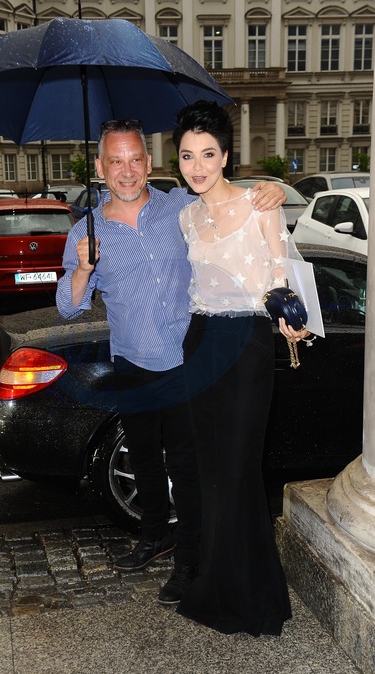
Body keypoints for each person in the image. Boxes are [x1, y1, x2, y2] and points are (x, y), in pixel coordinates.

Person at [56, 118, 287, 605]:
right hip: (132, 360)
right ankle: (154, 535)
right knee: (143, 457)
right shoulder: (85, 231)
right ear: (100, 167)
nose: (126, 171)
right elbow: (68, 307)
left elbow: (225, 204)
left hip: (186, 357)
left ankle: (188, 561)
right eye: (115, 161)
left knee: (187, 466)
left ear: (148, 162)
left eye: (134, 159)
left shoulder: (179, 207)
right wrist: (82, 269)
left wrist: (270, 190)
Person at [171, 100, 308, 635]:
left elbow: (280, 270)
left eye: (208, 154)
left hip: (246, 342)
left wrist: (289, 316)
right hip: (200, 340)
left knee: (238, 468)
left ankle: (254, 599)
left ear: (226, 156)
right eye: (187, 155)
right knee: (212, 471)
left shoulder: (260, 203)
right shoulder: (186, 217)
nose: (198, 166)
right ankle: (218, 588)